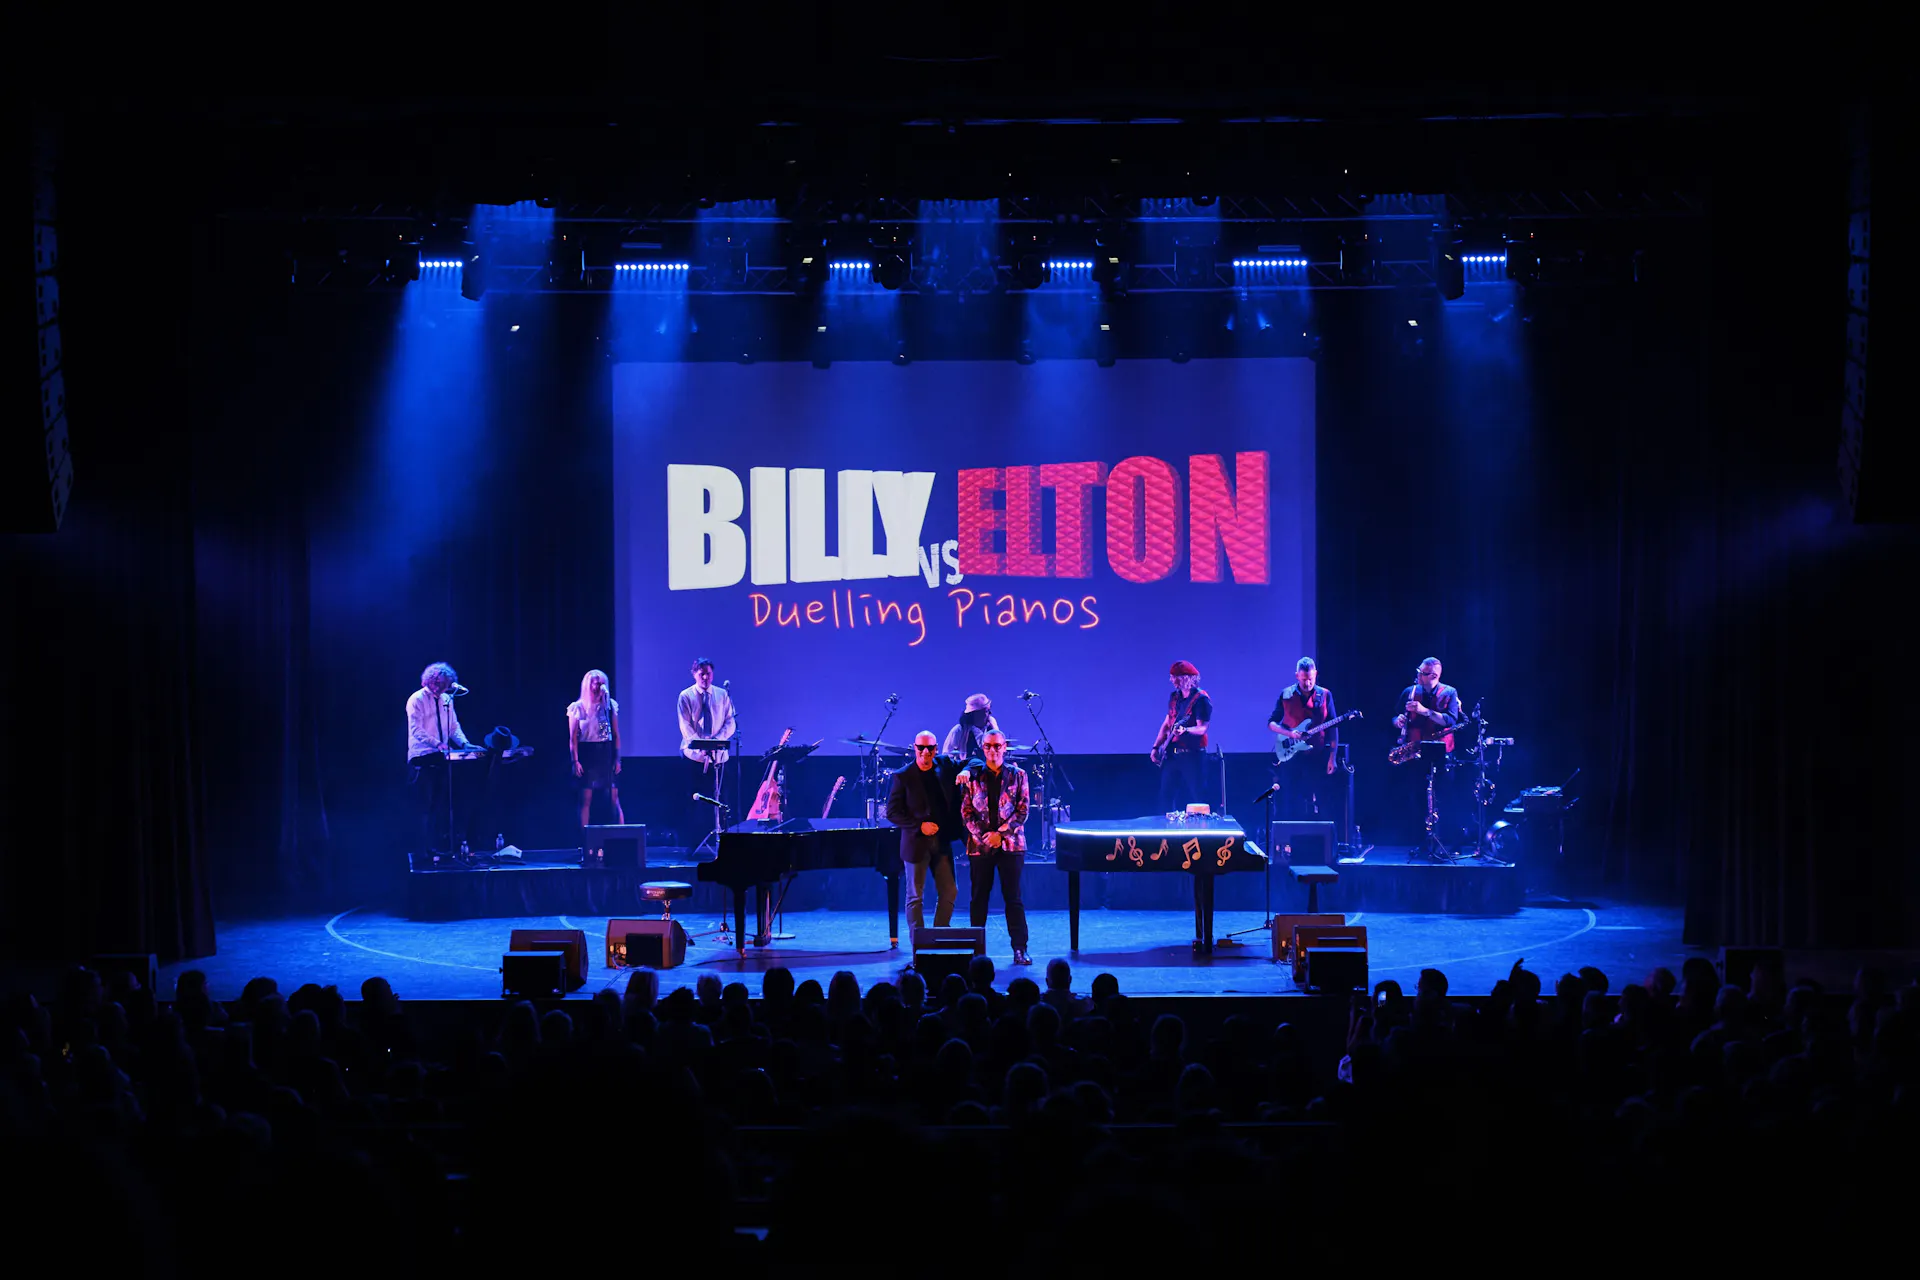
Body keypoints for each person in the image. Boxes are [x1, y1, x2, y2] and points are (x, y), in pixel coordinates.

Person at [960, 731, 1031, 965]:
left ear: (1004, 747)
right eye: (988, 746)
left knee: (1013, 898)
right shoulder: (973, 776)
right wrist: (984, 836)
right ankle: (976, 949)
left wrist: (1000, 834)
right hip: (980, 846)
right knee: (979, 898)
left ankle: (1020, 948)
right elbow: (966, 812)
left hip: (1010, 845)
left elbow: (1023, 810)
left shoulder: (1018, 775)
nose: (993, 750)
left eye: (997, 745)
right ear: (983, 748)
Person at [886, 730, 965, 939]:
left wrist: (968, 770)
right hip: (915, 845)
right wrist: (919, 826)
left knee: (950, 891)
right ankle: (918, 946)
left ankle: (938, 937)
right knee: (915, 897)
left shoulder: (944, 767)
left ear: (936, 749)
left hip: (941, 843)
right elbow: (892, 812)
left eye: (930, 748)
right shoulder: (902, 776)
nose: (925, 752)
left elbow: (972, 762)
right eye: (921, 748)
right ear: (915, 748)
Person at [406, 661, 479, 856]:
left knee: (440, 805)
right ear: (431, 682)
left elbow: (453, 727)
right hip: (422, 757)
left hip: (441, 758)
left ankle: (438, 848)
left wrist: (464, 744)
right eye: (439, 685)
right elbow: (416, 729)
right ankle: (421, 851)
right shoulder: (417, 699)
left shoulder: (447, 699)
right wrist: (436, 743)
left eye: (445, 686)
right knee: (424, 807)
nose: (441, 689)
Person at [1393, 657, 1466, 849]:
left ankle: (1446, 841)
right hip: (1415, 751)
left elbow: (1451, 721)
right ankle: (1420, 841)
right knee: (1416, 796)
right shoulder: (1410, 692)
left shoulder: (1449, 692)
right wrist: (1398, 720)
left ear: (1434, 676)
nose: (1418, 675)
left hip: (1441, 751)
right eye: (1419, 671)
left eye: (1422, 673)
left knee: (1443, 796)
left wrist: (1425, 711)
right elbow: (1394, 716)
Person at [1268, 656, 1340, 821]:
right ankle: (1288, 843)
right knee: (1290, 799)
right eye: (1303, 679)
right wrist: (1290, 734)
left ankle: (1323, 842)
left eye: (1310, 679)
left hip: (1317, 755)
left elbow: (1333, 727)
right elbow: (1271, 723)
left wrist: (1332, 757)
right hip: (1291, 755)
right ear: (1296, 676)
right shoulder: (1286, 694)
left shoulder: (1325, 695)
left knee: (1322, 799)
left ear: (1316, 674)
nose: (1307, 683)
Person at [676, 657, 736, 848]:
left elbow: (730, 721)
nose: (705, 677)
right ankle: (694, 844)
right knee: (694, 800)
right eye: (701, 673)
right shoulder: (686, 696)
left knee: (721, 799)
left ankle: (723, 844)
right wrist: (700, 744)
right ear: (694, 674)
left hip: (718, 757)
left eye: (708, 673)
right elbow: (685, 724)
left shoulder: (722, 695)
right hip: (695, 757)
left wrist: (716, 742)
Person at [567, 670, 624, 853]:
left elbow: (615, 734)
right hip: (588, 754)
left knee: (614, 798)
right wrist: (575, 761)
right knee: (586, 799)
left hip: (605, 753)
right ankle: (585, 842)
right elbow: (573, 738)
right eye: (594, 682)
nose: (597, 686)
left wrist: (617, 759)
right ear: (587, 685)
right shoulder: (578, 707)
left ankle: (622, 839)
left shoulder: (610, 707)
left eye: (600, 682)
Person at [1149, 660, 1212, 813]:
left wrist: (1186, 730)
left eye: (1177, 677)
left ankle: (1202, 833)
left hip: (1193, 756)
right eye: (1172, 677)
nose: (1173, 681)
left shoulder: (1201, 699)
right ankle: (1166, 832)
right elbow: (1167, 723)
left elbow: (1202, 728)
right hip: (1172, 755)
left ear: (1189, 678)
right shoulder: (1174, 698)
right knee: (1166, 796)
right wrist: (1156, 747)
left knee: (1198, 797)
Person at [943, 693, 999, 765]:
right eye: (986, 711)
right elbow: (947, 756)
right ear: (975, 714)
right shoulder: (959, 730)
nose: (990, 713)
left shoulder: (992, 726)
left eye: (989, 710)